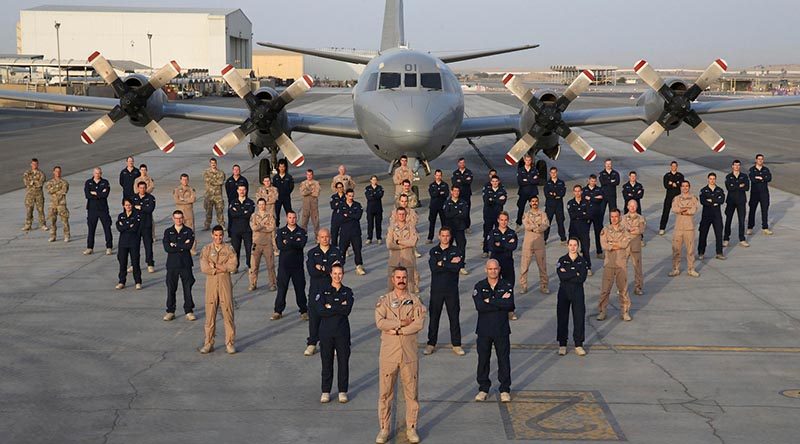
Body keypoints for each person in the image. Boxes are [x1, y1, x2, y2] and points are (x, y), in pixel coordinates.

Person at [374, 267, 426, 444]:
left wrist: (396, 330)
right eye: (398, 277)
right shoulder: (384, 301)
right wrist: (401, 323)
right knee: (385, 394)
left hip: (409, 354)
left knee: (411, 393)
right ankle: (384, 428)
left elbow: (418, 324)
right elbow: (380, 322)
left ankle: (411, 428)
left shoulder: (415, 301)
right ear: (392, 279)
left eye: (404, 277)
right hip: (389, 354)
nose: (401, 280)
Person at [473, 259, 515, 404]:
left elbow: (509, 305)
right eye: (490, 269)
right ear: (486, 270)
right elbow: (479, 306)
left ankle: (504, 389)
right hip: (484, 330)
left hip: (501, 330)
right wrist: (498, 301)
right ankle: (483, 388)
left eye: (495, 269)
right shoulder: (479, 286)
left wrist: (489, 301)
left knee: (503, 360)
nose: (493, 271)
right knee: (483, 360)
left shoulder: (507, 285)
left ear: (499, 269)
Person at [316, 263, 354, 404]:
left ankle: (342, 390)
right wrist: (338, 307)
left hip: (342, 332)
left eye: (340, 273)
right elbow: (320, 310)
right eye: (335, 273)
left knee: (343, 362)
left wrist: (330, 306)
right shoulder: (323, 290)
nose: (337, 276)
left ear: (343, 274)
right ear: (331, 274)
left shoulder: (347, 292)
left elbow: (347, 310)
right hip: (326, 332)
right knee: (327, 362)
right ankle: (326, 391)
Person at [425, 227, 465, 356]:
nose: (445, 238)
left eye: (447, 235)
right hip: (436, 290)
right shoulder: (434, 251)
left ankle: (457, 344)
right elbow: (433, 268)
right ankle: (431, 343)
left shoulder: (456, 250)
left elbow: (457, 267)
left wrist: (442, 263)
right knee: (434, 318)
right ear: (439, 236)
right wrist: (448, 263)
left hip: (451, 290)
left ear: (450, 236)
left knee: (454, 317)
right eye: (443, 235)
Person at [198, 225, 237, 354]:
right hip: (211, 284)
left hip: (225, 283)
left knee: (228, 313)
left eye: (220, 235)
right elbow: (204, 267)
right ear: (212, 235)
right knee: (210, 314)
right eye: (216, 235)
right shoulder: (206, 249)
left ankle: (230, 343)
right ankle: (208, 342)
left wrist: (215, 265)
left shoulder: (229, 249)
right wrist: (219, 268)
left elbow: (233, 266)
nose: (218, 238)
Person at [305, 228, 343, 356]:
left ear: (330, 237)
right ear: (317, 238)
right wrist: (328, 269)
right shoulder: (312, 253)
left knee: (332, 317)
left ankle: (334, 344)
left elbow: (337, 271)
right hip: (316, 289)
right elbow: (312, 272)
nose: (325, 239)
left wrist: (321, 267)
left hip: (332, 289)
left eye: (327, 236)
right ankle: (312, 343)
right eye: (322, 237)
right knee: (314, 317)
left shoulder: (336, 252)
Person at [597, 209, 632, 321]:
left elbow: (626, 243)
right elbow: (604, 245)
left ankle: (625, 312)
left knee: (623, 289)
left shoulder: (625, 230)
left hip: (621, 264)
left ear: (620, 217)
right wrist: (617, 245)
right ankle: (602, 311)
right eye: (612, 217)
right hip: (609, 264)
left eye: (616, 216)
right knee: (605, 290)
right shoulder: (605, 230)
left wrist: (612, 244)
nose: (614, 219)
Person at [273, 211, 308, 320]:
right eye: (290, 217)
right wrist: (294, 242)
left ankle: (304, 311)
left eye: (294, 217)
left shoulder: (302, 231)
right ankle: (278, 311)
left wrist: (287, 242)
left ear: (296, 218)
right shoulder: (281, 231)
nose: (292, 219)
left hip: (297, 266)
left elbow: (301, 244)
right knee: (282, 289)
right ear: (287, 218)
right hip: (284, 266)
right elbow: (280, 246)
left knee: (300, 289)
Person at [556, 238, 588, 356]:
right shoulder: (562, 260)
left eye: (575, 245)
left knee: (579, 317)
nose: (573, 247)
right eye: (571, 245)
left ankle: (578, 344)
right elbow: (561, 275)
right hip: (564, 292)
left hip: (578, 292)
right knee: (562, 318)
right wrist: (575, 272)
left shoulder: (582, 261)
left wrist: (568, 272)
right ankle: (562, 344)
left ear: (578, 247)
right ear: (567, 246)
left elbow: (582, 278)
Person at [162, 210, 196, 321]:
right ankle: (170, 311)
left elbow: (189, 246)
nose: (178, 220)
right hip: (172, 265)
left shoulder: (188, 231)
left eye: (180, 218)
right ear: (173, 218)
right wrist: (182, 245)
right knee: (171, 288)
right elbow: (167, 248)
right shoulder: (168, 232)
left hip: (185, 264)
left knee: (187, 288)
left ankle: (189, 311)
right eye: (176, 218)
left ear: (183, 218)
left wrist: (175, 245)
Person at [670, 181, 700, 277]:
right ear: (680, 188)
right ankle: (675, 269)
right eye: (683, 186)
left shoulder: (693, 198)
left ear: (689, 187)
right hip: (678, 227)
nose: (685, 188)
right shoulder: (677, 198)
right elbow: (674, 208)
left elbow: (693, 209)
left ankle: (691, 269)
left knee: (690, 251)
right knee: (676, 250)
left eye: (687, 186)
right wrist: (683, 210)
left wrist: (683, 210)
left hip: (689, 227)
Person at [520, 196, 549, 294]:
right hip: (528, 244)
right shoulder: (526, 214)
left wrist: (537, 228)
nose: (534, 203)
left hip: (539, 244)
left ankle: (544, 286)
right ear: (530, 203)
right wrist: (536, 227)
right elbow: (526, 225)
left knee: (542, 267)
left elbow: (545, 225)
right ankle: (523, 286)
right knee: (524, 266)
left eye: (536, 201)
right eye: (532, 201)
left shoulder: (543, 214)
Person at [387, 207, 419, 293]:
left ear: (406, 215)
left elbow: (413, 242)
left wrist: (399, 242)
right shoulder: (391, 228)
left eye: (403, 214)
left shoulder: (411, 227)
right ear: (396, 215)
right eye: (399, 214)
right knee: (391, 286)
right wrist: (403, 246)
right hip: (394, 260)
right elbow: (389, 244)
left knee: (410, 285)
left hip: (408, 260)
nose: (401, 216)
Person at [83, 167, 113, 256]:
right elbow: (87, 195)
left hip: (103, 209)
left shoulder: (105, 182)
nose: (98, 174)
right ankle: (90, 247)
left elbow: (105, 194)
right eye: (96, 173)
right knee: (91, 229)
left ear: (101, 173)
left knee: (107, 228)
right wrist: (99, 193)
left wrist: (95, 193)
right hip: (92, 209)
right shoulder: (88, 182)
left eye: (99, 173)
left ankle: (109, 247)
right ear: (93, 173)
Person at [249, 198, 277, 291]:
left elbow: (272, 227)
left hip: (267, 243)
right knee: (254, 266)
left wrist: (260, 226)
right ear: (257, 205)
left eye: (263, 204)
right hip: (256, 243)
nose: (261, 206)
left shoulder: (270, 215)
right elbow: (253, 227)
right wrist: (264, 225)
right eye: (260, 204)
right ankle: (253, 283)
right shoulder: (254, 215)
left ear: (265, 205)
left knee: (270, 265)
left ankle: (272, 283)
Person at [698, 173, 726, 260]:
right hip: (706, 215)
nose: (712, 180)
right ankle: (701, 252)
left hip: (716, 216)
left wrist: (711, 200)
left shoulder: (719, 190)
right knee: (703, 234)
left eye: (714, 179)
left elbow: (721, 200)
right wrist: (714, 202)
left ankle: (719, 253)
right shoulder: (704, 190)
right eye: (710, 179)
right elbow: (703, 201)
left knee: (719, 234)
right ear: (708, 179)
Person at [115, 199, 142, 290]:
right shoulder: (121, 216)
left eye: (130, 205)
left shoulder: (137, 215)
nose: (128, 207)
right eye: (126, 205)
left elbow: (135, 228)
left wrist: (125, 226)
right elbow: (119, 228)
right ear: (123, 206)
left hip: (133, 242)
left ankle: (138, 281)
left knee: (135, 262)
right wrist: (128, 226)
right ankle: (122, 281)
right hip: (123, 243)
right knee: (122, 263)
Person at [339, 189, 367, 275]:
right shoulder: (341, 205)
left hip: (355, 232)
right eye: (349, 196)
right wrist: (352, 215)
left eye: (352, 196)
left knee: (357, 250)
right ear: (346, 195)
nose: (351, 197)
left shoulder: (357, 205)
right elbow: (341, 218)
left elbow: (358, 216)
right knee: (342, 250)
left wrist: (348, 215)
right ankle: (341, 267)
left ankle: (359, 266)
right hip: (345, 232)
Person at [228, 184, 255, 272]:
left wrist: (238, 212)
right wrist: (243, 212)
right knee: (235, 250)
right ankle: (235, 267)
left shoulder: (250, 202)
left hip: (247, 230)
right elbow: (232, 214)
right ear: (237, 191)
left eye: (243, 190)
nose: (242, 191)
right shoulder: (233, 202)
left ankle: (249, 265)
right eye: (240, 190)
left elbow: (249, 214)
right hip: (235, 230)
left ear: (246, 191)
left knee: (248, 249)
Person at [622, 199, 646, 295]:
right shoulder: (622, 218)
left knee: (637, 268)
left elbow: (641, 229)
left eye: (634, 206)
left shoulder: (641, 218)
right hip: (625, 246)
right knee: (622, 268)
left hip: (635, 246)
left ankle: (638, 287)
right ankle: (622, 287)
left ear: (637, 207)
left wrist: (630, 230)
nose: (632, 208)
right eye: (630, 206)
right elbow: (621, 230)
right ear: (627, 206)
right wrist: (633, 229)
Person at [724, 160, 750, 248]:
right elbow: (729, 187)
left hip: (741, 201)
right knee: (728, 220)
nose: (737, 167)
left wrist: (735, 185)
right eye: (735, 165)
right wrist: (739, 185)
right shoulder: (728, 176)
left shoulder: (744, 176)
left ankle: (742, 239)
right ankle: (726, 239)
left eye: (738, 165)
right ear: (732, 166)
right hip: (731, 201)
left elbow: (747, 187)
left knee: (741, 220)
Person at [567, 184, 592, 275]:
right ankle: (573, 267)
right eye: (575, 191)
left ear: (581, 192)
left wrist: (579, 214)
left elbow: (589, 215)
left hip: (584, 229)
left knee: (585, 248)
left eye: (579, 191)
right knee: (572, 249)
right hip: (574, 229)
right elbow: (572, 215)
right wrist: (583, 213)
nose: (577, 193)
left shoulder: (587, 202)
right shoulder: (570, 203)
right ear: (573, 192)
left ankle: (587, 266)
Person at [132, 181, 156, 272]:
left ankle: (150, 263)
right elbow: (130, 209)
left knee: (148, 245)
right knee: (134, 246)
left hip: (146, 225)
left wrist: (140, 207)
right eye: (140, 188)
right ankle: (133, 264)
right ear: (138, 188)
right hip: (136, 226)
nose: (142, 189)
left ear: (146, 188)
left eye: (144, 188)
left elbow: (150, 209)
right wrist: (141, 208)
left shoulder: (150, 198)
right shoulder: (133, 198)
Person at [443, 185, 469, 268]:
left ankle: (461, 265)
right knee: (447, 246)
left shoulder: (463, 202)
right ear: (451, 191)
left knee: (461, 247)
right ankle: (447, 263)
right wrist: (458, 212)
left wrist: (453, 212)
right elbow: (447, 214)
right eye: (454, 191)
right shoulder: (447, 202)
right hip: (450, 229)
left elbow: (464, 214)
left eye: (457, 191)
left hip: (460, 228)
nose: (456, 193)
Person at [747, 154, 773, 235]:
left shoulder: (766, 169)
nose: (760, 161)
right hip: (755, 193)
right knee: (752, 210)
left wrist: (760, 178)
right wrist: (762, 178)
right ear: (756, 160)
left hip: (764, 193)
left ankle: (765, 227)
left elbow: (769, 178)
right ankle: (750, 227)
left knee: (764, 210)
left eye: (762, 159)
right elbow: (752, 179)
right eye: (759, 159)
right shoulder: (752, 169)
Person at [482, 176, 508, 256]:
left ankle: (496, 249)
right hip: (488, 215)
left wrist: (492, 199)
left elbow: (502, 202)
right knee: (487, 233)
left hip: (498, 216)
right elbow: (487, 201)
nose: (495, 183)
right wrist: (497, 199)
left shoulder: (502, 191)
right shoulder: (487, 191)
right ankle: (485, 250)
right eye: (493, 181)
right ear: (491, 182)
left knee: (498, 233)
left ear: (499, 182)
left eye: (496, 181)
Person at [173, 174, 197, 254]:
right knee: (179, 231)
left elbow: (193, 199)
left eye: (186, 179)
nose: (185, 181)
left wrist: (183, 200)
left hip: (188, 213)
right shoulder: (177, 189)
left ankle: (192, 248)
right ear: (180, 180)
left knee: (191, 231)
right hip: (179, 214)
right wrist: (187, 200)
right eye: (183, 179)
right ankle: (180, 246)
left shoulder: (191, 189)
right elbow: (176, 200)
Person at [45, 165, 70, 242]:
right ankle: (53, 236)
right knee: (52, 221)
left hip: (61, 204)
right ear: (53, 172)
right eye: (56, 171)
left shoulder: (65, 182)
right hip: (53, 204)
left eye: (59, 171)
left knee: (65, 221)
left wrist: (54, 189)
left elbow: (64, 191)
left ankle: (67, 235)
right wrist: (58, 188)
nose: (58, 173)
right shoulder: (49, 182)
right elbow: (49, 191)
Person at [659, 161, 684, 235]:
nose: (674, 167)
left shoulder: (680, 175)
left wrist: (672, 183)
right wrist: (675, 184)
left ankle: (680, 227)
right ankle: (662, 228)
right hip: (669, 196)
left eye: (675, 166)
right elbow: (666, 185)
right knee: (665, 212)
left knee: (680, 212)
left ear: (677, 167)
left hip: (677, 197)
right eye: (672, 166)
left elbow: (681, 184)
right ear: (671, 166)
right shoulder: (667, 175)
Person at [22, 158, 47, 232]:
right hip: (30, 195)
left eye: (36, 164)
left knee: (40, 210)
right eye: (33, 164)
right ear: (31, 164)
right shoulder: (27, 173)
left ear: (38, 164)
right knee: (29, 210)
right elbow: (26, 182)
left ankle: (42, 224)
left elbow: (40, 183)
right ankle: (28, 225)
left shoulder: (41, 173)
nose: (34, 165)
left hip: (39, 195)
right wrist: (33, 182)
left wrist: (32, 182)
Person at [543, 167, 567, 244]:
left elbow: (562, 193)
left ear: (557, 173)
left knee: (560, 222)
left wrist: (553, 194)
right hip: (549, 206)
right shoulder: (547, 183)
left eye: (555, 172)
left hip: (559, 206)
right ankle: (544, 239)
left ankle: (563, 239)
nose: (553, 174)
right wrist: (556, 195)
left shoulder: (561, 182)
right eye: (552, 173)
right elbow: (547, 194)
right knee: (547, 223)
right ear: (550, 173)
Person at [583, 175, 605, 258]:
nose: (593, 182)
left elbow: (600, 198)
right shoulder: (584, 190)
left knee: (598, 233)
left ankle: (599, 251)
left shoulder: (599, 189)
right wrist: (595, 198)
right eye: (591, 181)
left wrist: (590, 198)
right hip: (587, 214)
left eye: (594, 181)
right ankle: (584, 250)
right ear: (588, 181)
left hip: (597, 214)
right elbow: (584, 198)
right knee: (585, 233)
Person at [515, 154, 539, 227]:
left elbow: (537, 181)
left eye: (529, 160)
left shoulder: (535, 170)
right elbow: (520, 182)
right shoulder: (520, 170)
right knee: (521, 208)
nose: (528, 162)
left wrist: (526, 180)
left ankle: (534, 224)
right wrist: (531, 180)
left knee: (534, 209)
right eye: (526, 160)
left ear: (531, 161)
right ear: (524, 161)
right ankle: (518, 224)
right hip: (523, 192)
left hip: (532, 192)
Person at [203, 157, 226, 231]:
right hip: (209, 195)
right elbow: (208, 180)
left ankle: (221, 224)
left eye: (214, 163)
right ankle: (207, 225)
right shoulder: (206, 172)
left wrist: (213, 181)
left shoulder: (221, 172)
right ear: (210, 164)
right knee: (208, 211)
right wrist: (216, 181)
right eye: (212, 163)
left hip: (218, 196)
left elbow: (221, 181)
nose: (213, 164)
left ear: (216, 164)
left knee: (220, 211)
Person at [452, 158, 474, 232]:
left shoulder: (469, 172)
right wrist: (464, 179)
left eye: (463, 163)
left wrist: (460, 180)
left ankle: (467, 227)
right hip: (458, 195)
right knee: (458, 211)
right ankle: (459, 226)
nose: (462, 164)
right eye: (461, 163)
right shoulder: (455, 173)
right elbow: (454, 182)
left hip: (466, 194)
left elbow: (469, 181)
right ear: (458, 164)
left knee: (466, 211)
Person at [426, 169, 449, 243]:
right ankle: (430, 238)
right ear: (435, 176)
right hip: (433, 206)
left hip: (442, 206)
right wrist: (440, 192)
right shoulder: (432, 185)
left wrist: (437, 193)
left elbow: (446, 194)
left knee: (444, 223)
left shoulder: (445, 185)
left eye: (439, 175)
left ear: (441, 176)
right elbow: (432, 194)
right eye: (437, 175)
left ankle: (444, 238)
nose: (438, 177)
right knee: (432, 222)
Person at [299, 169, 321, 235]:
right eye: (308, 175)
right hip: (306, 206)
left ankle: (317, 237)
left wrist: (307, 191)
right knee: (304, 222)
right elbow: (302, 193)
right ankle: (303, 236)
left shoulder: (316, 183)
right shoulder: (303, 183)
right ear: (306, 175)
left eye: (310, 175)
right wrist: (311, 191)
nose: (309, 176)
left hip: (314, 206)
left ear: (312, 175)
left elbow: (316, 193)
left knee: (316, 222)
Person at [273, 159, 294, 224]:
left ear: (285, 167)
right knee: (276, 214)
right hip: (277, 198)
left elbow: (291, 187)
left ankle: (289, 226)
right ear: (278, 167)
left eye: (283, 167)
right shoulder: (275, 177)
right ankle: (277, 227)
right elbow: (274, 187)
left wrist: (287, 193)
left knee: (289, 213)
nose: (282, 168)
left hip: (286, 198)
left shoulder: (289, 177)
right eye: (280, 167)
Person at [365, 175, 384, 244]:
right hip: (370, 209)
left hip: (378, 208)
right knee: (370, 224)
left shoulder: (380, 187)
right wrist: (375, 195)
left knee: (378, 224)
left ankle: (379, 238)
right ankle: (369, 238)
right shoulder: (367, 188)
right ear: (370, 180)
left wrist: (373, 195)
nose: (374, 181)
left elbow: (380, 195)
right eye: (373, 180)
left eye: (375, 180)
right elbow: (368, 197)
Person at [330, 182, 346, 246]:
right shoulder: (334, 197)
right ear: (336, 188)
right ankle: (334, 247)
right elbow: (333, 206)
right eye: (338, 187)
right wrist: (340, 205)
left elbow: (347, 206)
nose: (340, 189)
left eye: (341, 187)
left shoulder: (346, 196)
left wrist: (338, 204)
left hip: (344, 216)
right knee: (334, 233)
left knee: (344, 233)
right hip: (336, 217)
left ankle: (344, 248)